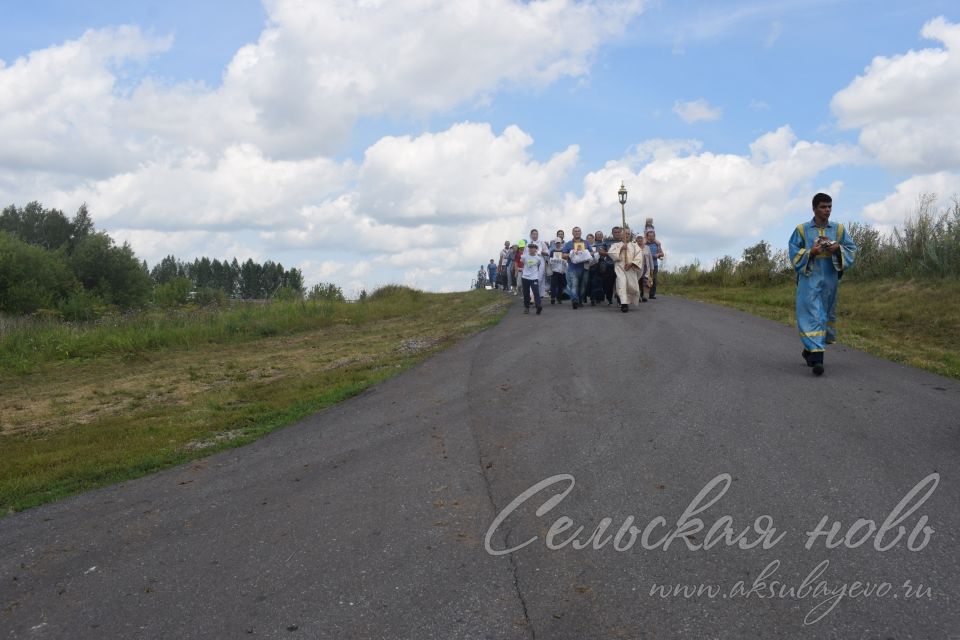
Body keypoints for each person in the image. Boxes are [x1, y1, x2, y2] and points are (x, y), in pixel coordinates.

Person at [788, 193, 857, 376]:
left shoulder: (839, 230)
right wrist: (811, 252)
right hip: (809, 281)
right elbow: (793, 253)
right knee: (813, 314)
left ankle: (809, 350)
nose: (827, 210)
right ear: (814, 208)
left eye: (829, 207)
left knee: (824, 315)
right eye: (823, 207)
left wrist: (838, 249)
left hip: (829, 280)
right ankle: (818, 360)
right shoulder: (802, 230)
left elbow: (852, 250)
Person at [607, 227, 644, 312]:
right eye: (625, 233)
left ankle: (628, 300)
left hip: (631, 269)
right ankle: (624, 304)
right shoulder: (616, 245)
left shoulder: (634, 245)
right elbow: (611, 254)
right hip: (620, 268)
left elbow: (639, 255)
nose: (626, 235)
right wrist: (621, 249)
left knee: (633, 287)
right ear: (621, 235)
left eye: (628, 234)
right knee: (622, 284)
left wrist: (631, 264)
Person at [562, 227, 593, 309]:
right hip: (573, 268)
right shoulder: (568, 244)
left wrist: (585, 253)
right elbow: (563, 255)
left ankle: (580, 300)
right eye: (575, 231)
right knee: (574, 285)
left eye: (579, 231)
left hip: (585, 267)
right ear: (572, 233)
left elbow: (592, 252)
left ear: (581, 232)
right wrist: (571, 253)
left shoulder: (586, 243)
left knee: (583, 285)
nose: (577, 232)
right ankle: (574, 300)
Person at [520, 242, 544, 315]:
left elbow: (538, 265)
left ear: (536, 250)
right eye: (530, 248)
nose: (531, 249)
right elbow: (523, 263)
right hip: (525, 277)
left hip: (534, 278)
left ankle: (538, 306)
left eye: (533, 248)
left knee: (536, 292)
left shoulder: (538, 258)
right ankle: (526, 307)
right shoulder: (524, 256)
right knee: (526, 293)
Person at [644, 229, 664, 299]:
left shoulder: (657, 244)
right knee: (645, 279)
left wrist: (657, 255)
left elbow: (662, 254)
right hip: (645, 265)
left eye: (653, 236)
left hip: (654, 265)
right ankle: (644, 294)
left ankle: (651, 295)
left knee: (654, 279)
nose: (651, 237)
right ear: (646, 236)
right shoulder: (644, 244)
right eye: (649, 236)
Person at [547, 237, 567, 304]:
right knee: (553, 284)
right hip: (554, 270)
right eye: (557, 243)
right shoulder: (552, 251)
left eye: (559, 243)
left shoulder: (564, 250)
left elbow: (566, 260)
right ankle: (553, 298)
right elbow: (550, 260)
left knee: (560, 284)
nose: (558, 244)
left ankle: (559, 298)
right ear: (555, 243)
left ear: (561, 243)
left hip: (561, 270)